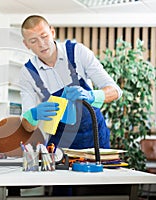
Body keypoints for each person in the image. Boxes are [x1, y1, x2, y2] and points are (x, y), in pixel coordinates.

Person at [19, 15, 123, 150]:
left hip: (95, 138)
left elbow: (116, 91)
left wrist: (92, 96)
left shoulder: (77, 52)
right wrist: (33, 115)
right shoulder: (28, 73)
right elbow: (27, 126)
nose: (41, 44)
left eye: (44, 36)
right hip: (61, 143)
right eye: (33, 41)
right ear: (26, 44)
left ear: (52, 32)